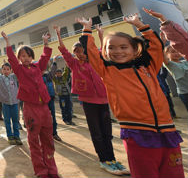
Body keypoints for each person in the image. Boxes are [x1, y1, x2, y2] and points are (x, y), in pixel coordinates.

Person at [78, 14, 184, 178]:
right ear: (104, 52)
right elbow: (90, 51)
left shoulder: (148, 67)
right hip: (138, 133)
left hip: (167, 131)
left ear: (135, 49)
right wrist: (87, 29)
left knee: (174, 174)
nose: (117, 51)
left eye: (123, 47)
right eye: (110, 48)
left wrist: (139, 24)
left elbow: (155, 46)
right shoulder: (108, 71)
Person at [54, 25, 128, 175]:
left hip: (103, 100)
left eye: (81, 52)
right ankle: (104, 160)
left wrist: (100, 35)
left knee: (107, 132)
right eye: (76, 53)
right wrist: (59, 35)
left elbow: (101, 50)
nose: (79, 55)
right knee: (97, 132)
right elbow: (64, 51)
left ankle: (112, 159)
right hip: (89, 102)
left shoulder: (96, 61)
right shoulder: (74, 64)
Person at [1, 31, 60, 178]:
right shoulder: (19, 70)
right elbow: (12, 59)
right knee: (33, 141)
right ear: (19, 58)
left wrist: (45, 43)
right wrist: (8, 43)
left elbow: (45, 57)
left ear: (32, 57)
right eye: (22, 56)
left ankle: (52, 169)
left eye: (28, 56)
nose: (25, 58)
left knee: (48, 140)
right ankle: (41, 171)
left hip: (45, 108)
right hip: (30, 109)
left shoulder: (38, 68)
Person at [0, 57, 22, 145]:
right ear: (1, 70)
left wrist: (17, 62)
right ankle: (10, 137)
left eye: (8, 69)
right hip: (5, 104)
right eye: (4, 69)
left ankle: (17, 136)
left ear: (11, 70)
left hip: (14, 103)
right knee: (7, 121)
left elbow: (19, 71)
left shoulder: (14, 77)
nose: (6, 71)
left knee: (15, 120)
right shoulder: (0, 78)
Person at [163, 44, 188, 113]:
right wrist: (161, 43)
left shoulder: (185, 62)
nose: (176, 53)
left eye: (178, 51)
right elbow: (162, 56)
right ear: (167, 54)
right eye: (173, 52)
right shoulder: (169, 64)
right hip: (185, 93)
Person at [42, 67, 61, 142]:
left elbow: (53, 70)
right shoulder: (38, 77)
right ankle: (45, 135)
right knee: (44, 118)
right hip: (43, 101)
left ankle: (54, 133)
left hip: (50, 99)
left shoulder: (48, 76)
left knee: (53, 117)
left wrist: (54, 62)